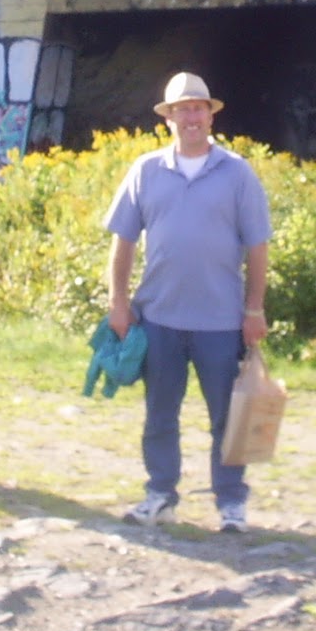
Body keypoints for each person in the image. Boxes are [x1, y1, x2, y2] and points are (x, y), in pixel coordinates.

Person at [104, 71, 272, 533]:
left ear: (210, 115)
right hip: (158, 318)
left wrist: (254, 309)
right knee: (160, 413)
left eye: (198, 108)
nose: (191, 117)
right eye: (182, 110)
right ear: (169, 118)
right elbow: (122, 240)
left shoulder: (237, 172)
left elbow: (258, 245)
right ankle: (160, 494)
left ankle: (231, 502)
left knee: (227, 417)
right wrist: (118, 303)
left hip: (221, 321)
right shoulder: (145, 170)